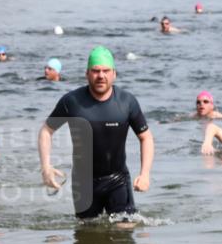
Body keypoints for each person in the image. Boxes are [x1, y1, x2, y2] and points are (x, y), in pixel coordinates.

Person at [38, 46, 154, 219]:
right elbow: (46, 131)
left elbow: (146, 137)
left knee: (125, 229)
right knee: (87, 232)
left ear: (114, 74)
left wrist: (145, 174)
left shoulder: (127, 102)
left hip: (118, 180)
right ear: (87, 74)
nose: (101, 75)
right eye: (95, 71)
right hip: (84, 183)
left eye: (106, 71)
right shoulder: (72, 101)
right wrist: (46, 167)